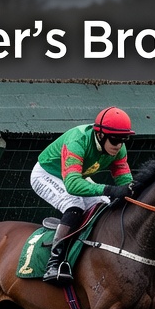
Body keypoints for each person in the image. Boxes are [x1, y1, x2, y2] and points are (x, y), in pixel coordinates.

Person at [32, 106, 136, 284]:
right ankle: (54, 264)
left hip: (76, 176)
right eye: (115, 139)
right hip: (47, 174)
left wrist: (132, 193)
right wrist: (109, 190)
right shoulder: (78, 140)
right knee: (75, 206)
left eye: (123, 139)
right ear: (101, 135)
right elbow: (72, 185)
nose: (118, 145)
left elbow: (124, 182)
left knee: (105, 204)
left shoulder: (119, 149)